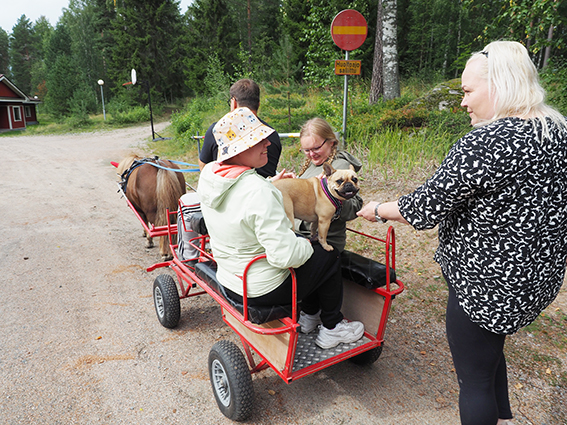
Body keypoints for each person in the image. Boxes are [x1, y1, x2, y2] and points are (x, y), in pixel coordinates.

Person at [357, 41, 567, 425]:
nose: (463, 102)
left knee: (473, 381)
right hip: (532, 279)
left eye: (469, 92)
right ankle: (503, 417)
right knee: (488, 359)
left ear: (500, 85)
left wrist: (377, 210)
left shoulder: (485, 143)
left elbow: (422, 208)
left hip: (485, 286)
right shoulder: (556, 131)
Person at [197, 107, 365, 349]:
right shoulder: (258, 190)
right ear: (240, 148)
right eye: (258, 140)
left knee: (315, 255)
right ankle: (332, 326)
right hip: (261, 287)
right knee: (328, 255)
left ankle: (310, 316)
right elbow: (285, 255)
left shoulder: (211, 176)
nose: (268, 143)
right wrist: (303, 242)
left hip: (231, 277)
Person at [294, 117, 363, 252]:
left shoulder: (341, 167)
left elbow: (354, 209)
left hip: (323, 241)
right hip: (299, 233)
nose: (312, 154)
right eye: (306, 150)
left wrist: (329, 192)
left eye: (316, 148)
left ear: (331, 142)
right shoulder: (312, 165)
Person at [198, 78, 282, 178]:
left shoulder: (218, 131)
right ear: (258, 104)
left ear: (233, 102)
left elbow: (204, 167)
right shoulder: (272, 134)